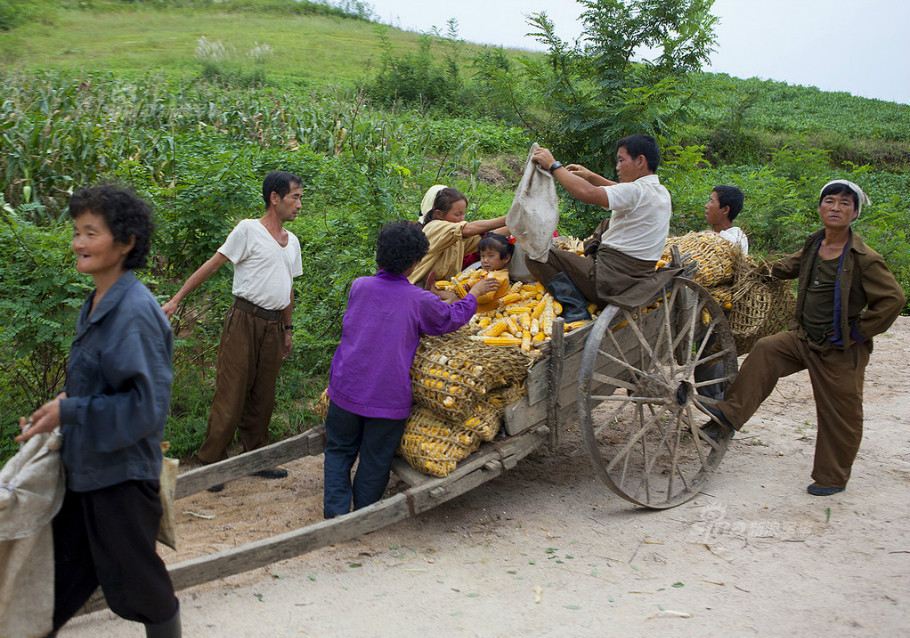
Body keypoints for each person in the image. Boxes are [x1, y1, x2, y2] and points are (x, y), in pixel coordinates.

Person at [16, 185, 181, 637]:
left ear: (125, 242)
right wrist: (58, 409)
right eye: (76, 232)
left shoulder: (136, 314)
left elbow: (145, 409)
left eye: (91, 232)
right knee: (58, 582)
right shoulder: (95, 305)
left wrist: (73, 413)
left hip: (122, 480)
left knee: (143, 588)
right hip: (87, 470)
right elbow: (99, 387)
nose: (78, 243)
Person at [703, 180, 906, 496]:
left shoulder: (864, 257)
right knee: (767, 349)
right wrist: (753, 268)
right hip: (803, 338)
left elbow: (893, 299)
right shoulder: (816, 245)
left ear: (854, 213)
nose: (835, 207)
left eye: (844, 203)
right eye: (830, 201)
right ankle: (730, 413)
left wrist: (858, 332)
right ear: (821, 207)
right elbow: (786, 267)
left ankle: (831, 477)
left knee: (841, 413)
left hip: (840, 347)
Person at [323, 221, 499, 518]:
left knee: (339, 450)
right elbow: (449, 319)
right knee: (376, 457)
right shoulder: (418, 300)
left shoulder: (359, 286)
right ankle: (362, 516)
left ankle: (336, 514)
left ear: (379, 256)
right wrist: (473, 294)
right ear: (416, 262)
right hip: (387, 396)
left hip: (345, 386)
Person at [161, 171, 303, 491]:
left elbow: (288, 287)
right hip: (244, 319)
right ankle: (211, 463)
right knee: (232, 390)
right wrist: (176, 300)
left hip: (274, 325)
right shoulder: (248, 230)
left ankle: (255, 457)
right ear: (274, 198)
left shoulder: (292, 241)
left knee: (263, 394)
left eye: (300, 198)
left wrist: (288, 329)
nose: (299, 204)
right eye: (295, 197)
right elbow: (214, 263)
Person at [527, 134, 673, 322]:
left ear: (640, 161)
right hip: (636, 279)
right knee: (606, 224)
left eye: (621, 160)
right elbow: (620, 191)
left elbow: (588, 193)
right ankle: (588, 265)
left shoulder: (635, 191)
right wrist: (591, 176)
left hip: (608, 283)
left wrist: (554, 166)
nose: (617, 167)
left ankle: (575, 308)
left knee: (534, 255)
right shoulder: (659, 192)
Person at [408, 185, 508, 291]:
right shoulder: (433, 227)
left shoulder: (456, 238)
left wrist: (517, 223)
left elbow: (489, 237)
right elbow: (468, 229)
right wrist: (509, 218)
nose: (462, 219)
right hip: (416, 290)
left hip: (438, 290)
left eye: (463, 214)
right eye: (457, 214)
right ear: (438, 214)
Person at [705, 184, 748, 254]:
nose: (706, 206)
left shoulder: (738, 237)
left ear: (725, 210)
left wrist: (710, 235)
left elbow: (733, 246)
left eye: (711, 201)